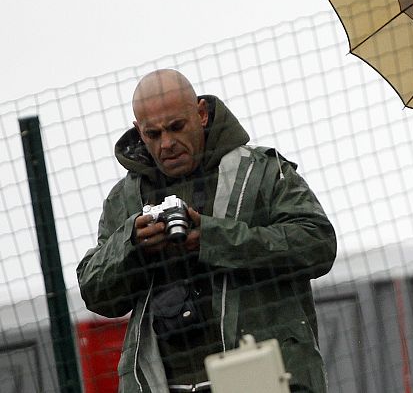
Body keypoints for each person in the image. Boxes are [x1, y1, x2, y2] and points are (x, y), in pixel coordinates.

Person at [77, 69, 336, 393]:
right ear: (138, 132)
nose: (167, 143)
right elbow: (96, 292)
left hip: (258, 377)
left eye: (176, 127)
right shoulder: (125, 199)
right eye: (153, 134)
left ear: (200, 114)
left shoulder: (260, 171)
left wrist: (213, 238)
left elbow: (318, 243)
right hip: (161, 383)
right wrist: (133, 244)